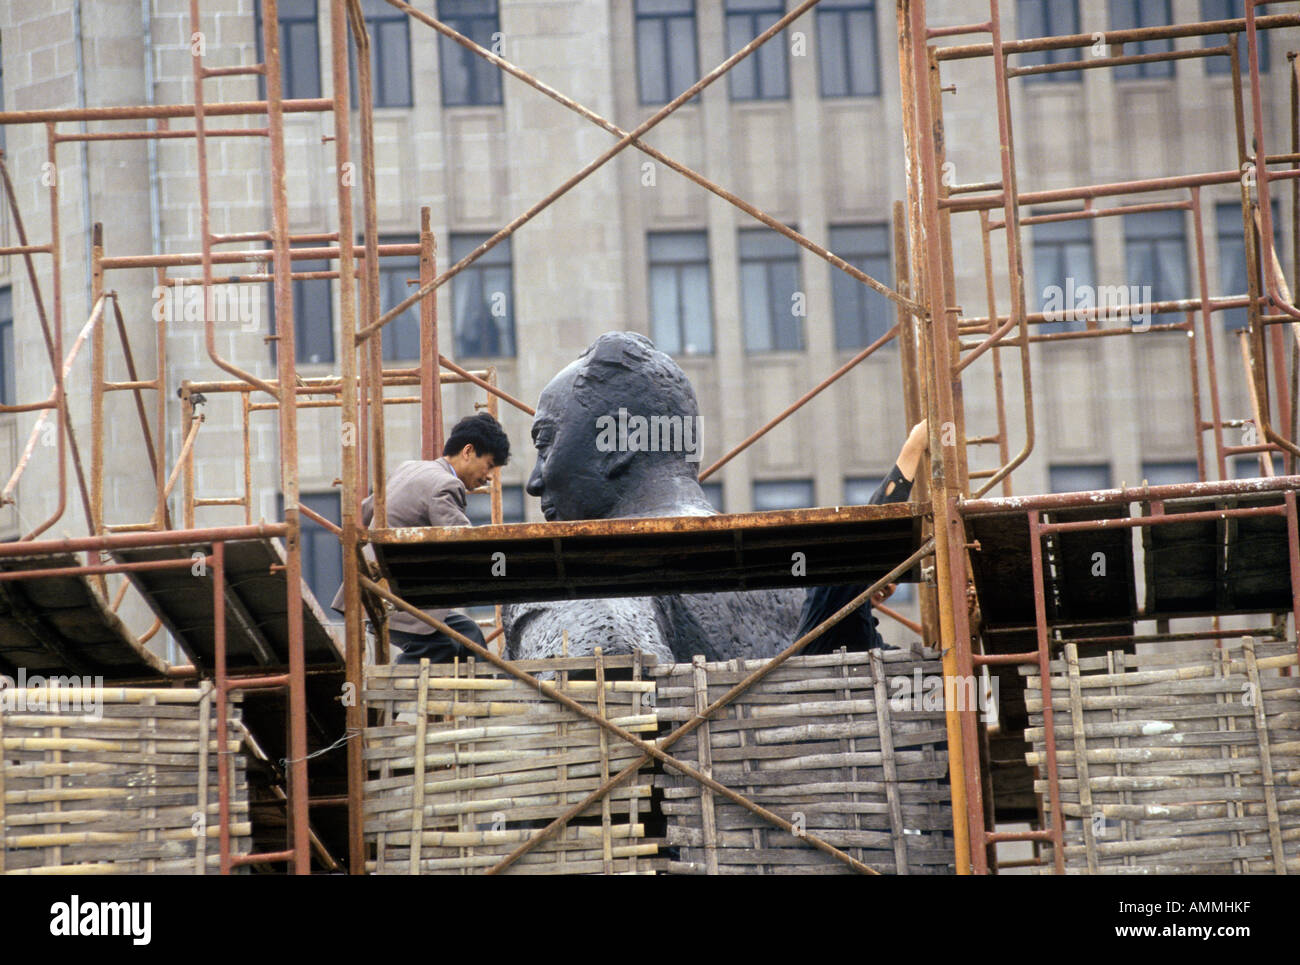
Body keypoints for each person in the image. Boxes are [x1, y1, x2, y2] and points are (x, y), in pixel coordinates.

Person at [504, 332, 802, 663]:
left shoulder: (567, 587)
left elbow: (606, 702)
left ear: (618, 442)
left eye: (545, 444)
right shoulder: (804, 578)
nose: (534, 482)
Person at [331, 412, 510, 664]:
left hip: (376, 591)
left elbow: (363, 512)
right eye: (490, 465)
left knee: (469, 635)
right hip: (397, 599)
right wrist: (504, 562)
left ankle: (485, 695)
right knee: (441, 647)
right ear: (468, 451)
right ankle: (390, 690)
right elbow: (467, 543)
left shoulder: (409, 468)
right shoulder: (446, 484)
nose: (489, 476)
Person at [794, 419, 928, 654]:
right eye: (884, 573)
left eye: (895, 580)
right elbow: (874, 530)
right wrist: (914, 446)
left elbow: (909, 664)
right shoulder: (830, 596)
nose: (888, 588)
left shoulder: (865, 635)